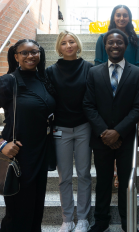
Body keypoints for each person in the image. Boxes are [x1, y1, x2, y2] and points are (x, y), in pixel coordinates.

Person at [0, 39, 56, 232]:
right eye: (25, 53)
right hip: (18, 154)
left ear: (40, 53)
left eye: (34, 52)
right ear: (16, 56)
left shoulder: (44, 80)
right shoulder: (7, 82)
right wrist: (0, 143)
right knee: (18, 211)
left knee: (36, 209)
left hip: (41, 152)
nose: (30, 56)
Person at [83, 29, 139, 232]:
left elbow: (138, 108)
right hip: (101, 139)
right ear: (105, 45)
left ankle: (128, 221)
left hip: (126, 138)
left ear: (125, 46)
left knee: (127, 182)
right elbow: (88, 105)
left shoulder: (137, 73)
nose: (115, 45)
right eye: (111, 42)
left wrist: (118, 131)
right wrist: (104, 132)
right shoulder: (93, 72)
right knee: (103, 181)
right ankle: (101, 221)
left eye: (119, 42)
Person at [45, 31, 93, 232]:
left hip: (83, 127)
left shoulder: (89, 68)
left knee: (83, 174)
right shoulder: (50, 71)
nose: (68, 45)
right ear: (59, 47)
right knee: (64, 176)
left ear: (77, 44)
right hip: (60, 129)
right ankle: (67, 219)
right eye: (64, 43)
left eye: (72, 41)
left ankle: (82, 218)